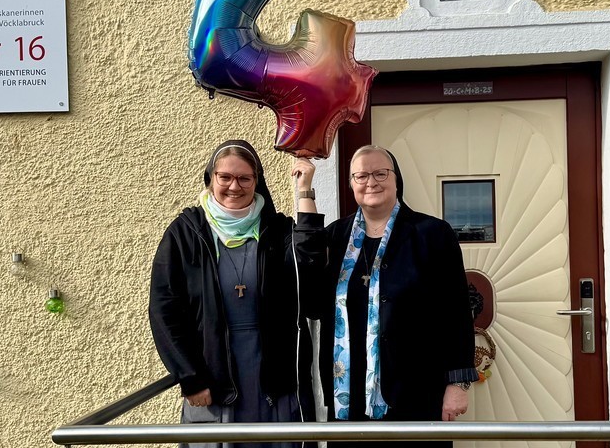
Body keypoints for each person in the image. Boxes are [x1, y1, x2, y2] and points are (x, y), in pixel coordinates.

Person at [292, 146, 477, 448]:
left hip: (416, 393)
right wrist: (305, 192)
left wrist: (457, 383)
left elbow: (456, 313)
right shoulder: (336, 237)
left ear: (396, 179)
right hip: (348, 398)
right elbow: (311, 298)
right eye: (361, 175)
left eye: (381, 173)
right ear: (350, 184)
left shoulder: (432, 234)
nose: (371, 182)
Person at [149, 140, 315, 448]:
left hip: (272, 377)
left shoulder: (278, 231)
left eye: (244, 178)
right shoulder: (185, 233)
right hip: (213, 373)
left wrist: (305, 190)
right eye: (224, 177)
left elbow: (311, 271)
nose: (233, 186)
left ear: (257, 181)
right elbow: (164, 311)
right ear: (210, 178)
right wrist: (189, 376)